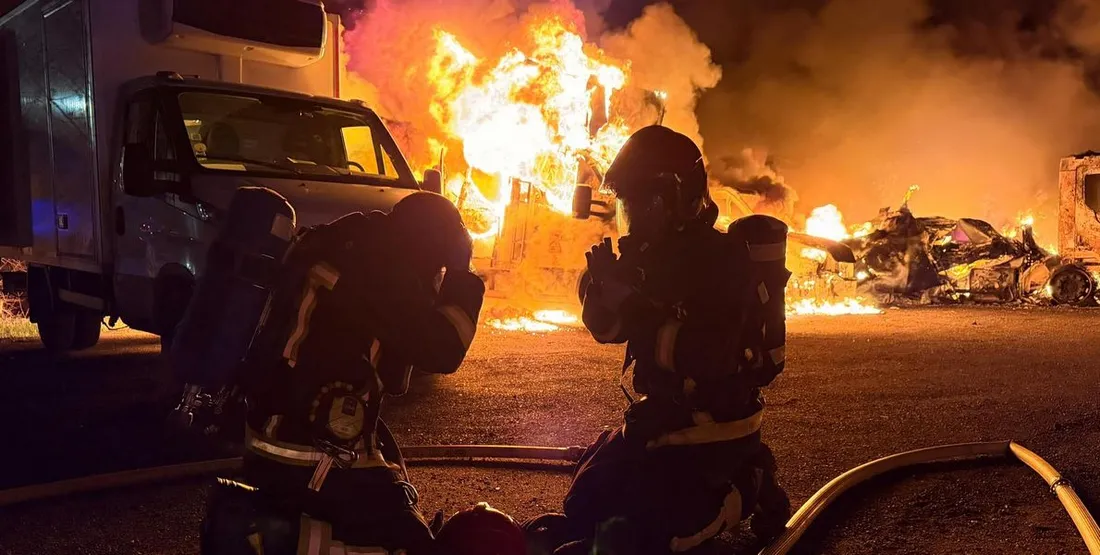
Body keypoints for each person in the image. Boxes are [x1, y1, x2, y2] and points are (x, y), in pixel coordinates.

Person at [542, 126, 793, 554]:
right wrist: (600, 291)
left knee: (657, 538)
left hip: (712, 427)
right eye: (628, 206)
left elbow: (708, 355)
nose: (634, 219)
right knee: (584, 505)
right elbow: (609, 332)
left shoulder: (721, 261)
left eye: (645, 205)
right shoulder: (650, 256)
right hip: (660, 419)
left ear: (676, 200)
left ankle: (748, 481)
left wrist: (637, 307)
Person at [201, 191, 485, 555]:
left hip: (273, 437)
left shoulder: (352, 243)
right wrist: (461, 273)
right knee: (408, 544)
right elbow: (442, 350)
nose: (435, 278)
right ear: (428, 247)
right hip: (311, 456)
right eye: (438, 267)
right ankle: (263, 540)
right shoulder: (380, 267)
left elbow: (394, 376)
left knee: (391, 493)